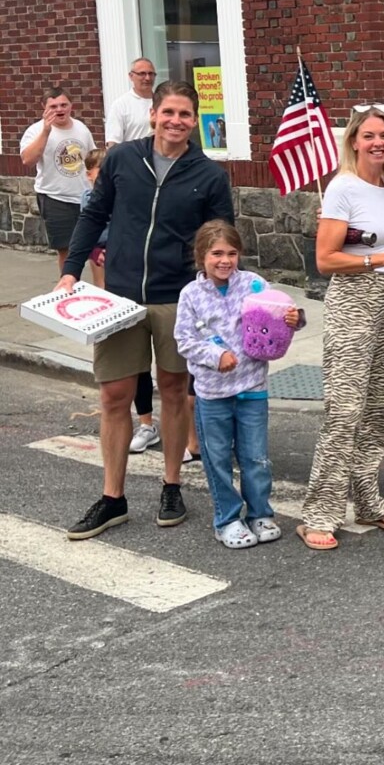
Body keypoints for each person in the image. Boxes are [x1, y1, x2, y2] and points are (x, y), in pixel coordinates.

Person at [57, 80, 234, 540]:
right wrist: (71, 270)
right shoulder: (120, 159)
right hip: (119, 296)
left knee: (174, 390)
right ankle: (112, 497)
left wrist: (223, 295)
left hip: (177, 297)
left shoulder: (209, 174)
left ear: (194, 121)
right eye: (168, 112)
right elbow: (94, 216)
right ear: (153, 114)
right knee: (114, 396)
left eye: (185, 115)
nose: (176, 121)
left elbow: (221, 239)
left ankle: (171, 484)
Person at [298, 104, 384, 550]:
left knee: (376, 408)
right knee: (345, 409)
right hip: (354, 298)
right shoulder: (342, 188)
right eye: (369, 135)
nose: (378, 143)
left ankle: (367, 498)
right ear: (353, 140)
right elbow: (325, 259)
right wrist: (382, 258)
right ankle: (319, 511)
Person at [174, 221, 303, 549]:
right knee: (217, 458)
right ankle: (227, 519)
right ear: (201, 255)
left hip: (252, 387)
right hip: (213, 392)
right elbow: (184, 340)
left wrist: (294, 319)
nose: (225, 260)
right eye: (216, 253)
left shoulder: (254, 285)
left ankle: (260, 512)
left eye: (232, 253)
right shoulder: (190, 295)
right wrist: (216, 356)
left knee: (256, 457)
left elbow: (281, 314)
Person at [104, 57, 162, 459]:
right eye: (140, 73)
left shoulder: (196, 172)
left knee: (178, 380)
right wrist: (71, 271)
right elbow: (95, 215)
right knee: (122, 377)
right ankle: (144, 423)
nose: (145, 78)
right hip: (126, 283)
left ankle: (188, 444)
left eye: (150, 74)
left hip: (169, 285)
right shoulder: (123, 109)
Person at [20, 87, 96, 275]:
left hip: (84, 197)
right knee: (67, 249)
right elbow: (27, 160)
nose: (59, 109)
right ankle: (69, 288)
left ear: (71, 105)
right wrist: (46, 132)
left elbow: (92, 160)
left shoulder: (81, 128)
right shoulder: (35, 131)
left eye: (64, 104)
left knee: (96, 248)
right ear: (44, 108)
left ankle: (101, 291)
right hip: (55, 198)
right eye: (53, 106)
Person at [106, 58, 157, 147]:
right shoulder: (120, 105)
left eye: (151, 74)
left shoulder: (162, 101)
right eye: (142, 74)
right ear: (131, 76)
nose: (148, 78)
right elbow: (113, 143)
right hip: (133, 158)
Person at [80, 149, 109, 289]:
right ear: (89, 174)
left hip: (116, 247)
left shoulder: (120, 195)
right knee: (101, 285)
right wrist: (94, 250)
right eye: (100, 170)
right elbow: (88, 228)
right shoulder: (87, 198)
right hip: (97, 247)